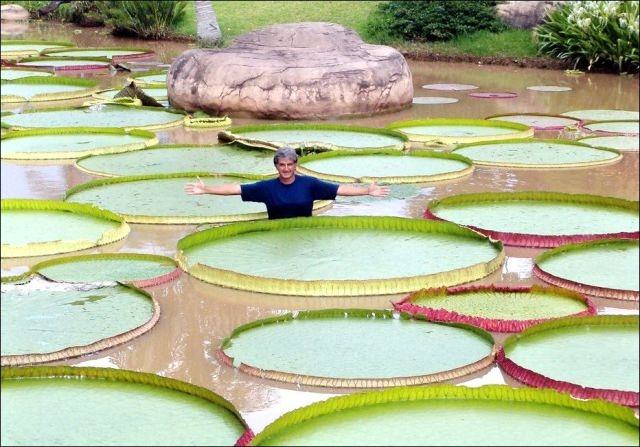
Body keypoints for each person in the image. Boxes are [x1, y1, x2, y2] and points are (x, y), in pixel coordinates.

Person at [184, 146, 390, 219]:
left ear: (295, 165)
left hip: (305, 231)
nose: (286, 169)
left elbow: (339, 189)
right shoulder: (266, 188)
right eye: (282, 165)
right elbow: (235, 189)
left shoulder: (309, 184)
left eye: (290, 164)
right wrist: (206, 189)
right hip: (276, 231)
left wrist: (366, 191)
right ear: (276, 166)